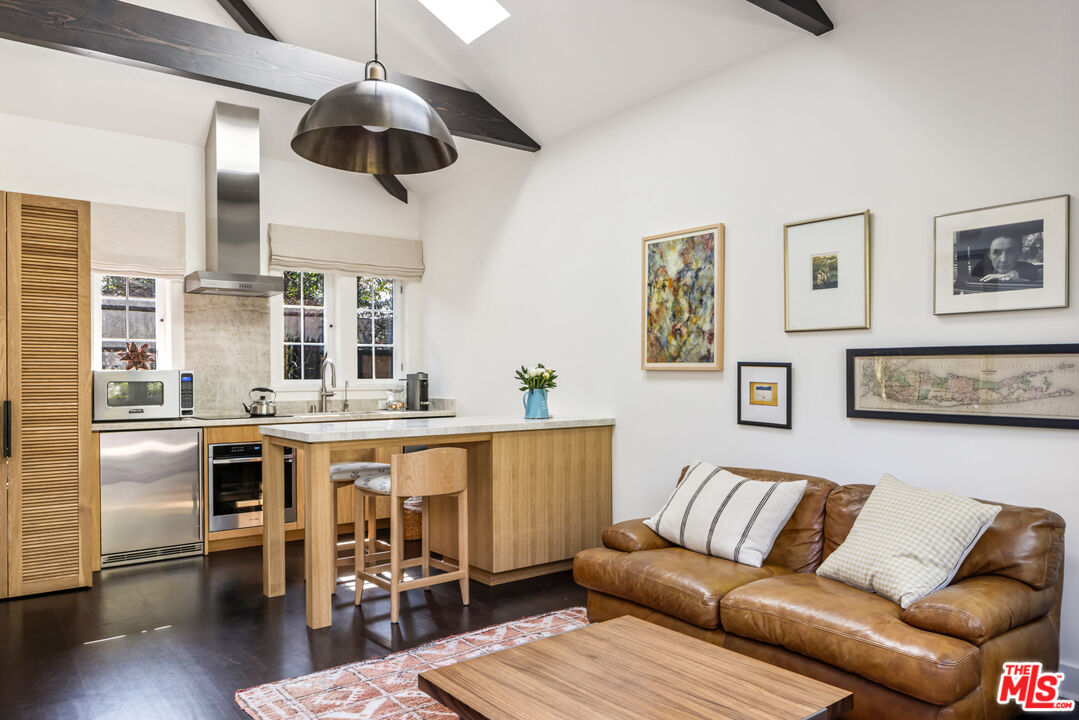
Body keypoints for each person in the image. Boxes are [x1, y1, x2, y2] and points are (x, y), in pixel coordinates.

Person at [972, 234, 1042, 284]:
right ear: (990, 255)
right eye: (997, 253)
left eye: (1010, 252)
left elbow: (1031, 270)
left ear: (1019, 253)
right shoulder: (979, 271)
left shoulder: (1027, 268)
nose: (1003, 259)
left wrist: (1011, 275)